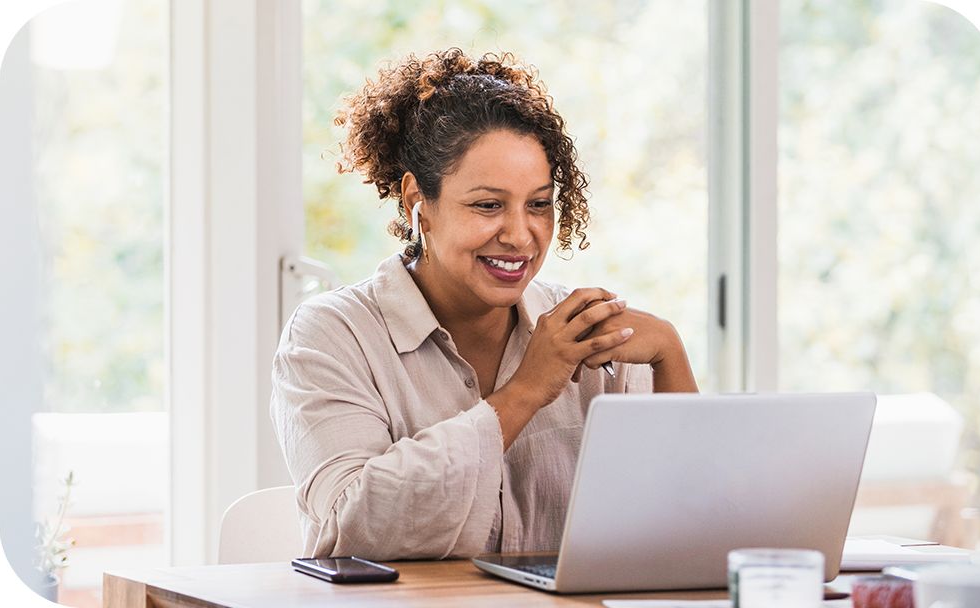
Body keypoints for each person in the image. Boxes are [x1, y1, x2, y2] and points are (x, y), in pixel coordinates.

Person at [270, 48, 698, 561]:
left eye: (539, 204)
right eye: (487, 205)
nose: (520, 235)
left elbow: (697, 528)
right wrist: (526, 391)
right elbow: (353, 522)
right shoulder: (331, 336)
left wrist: (670, 353)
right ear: (417, 205)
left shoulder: (592, 334)